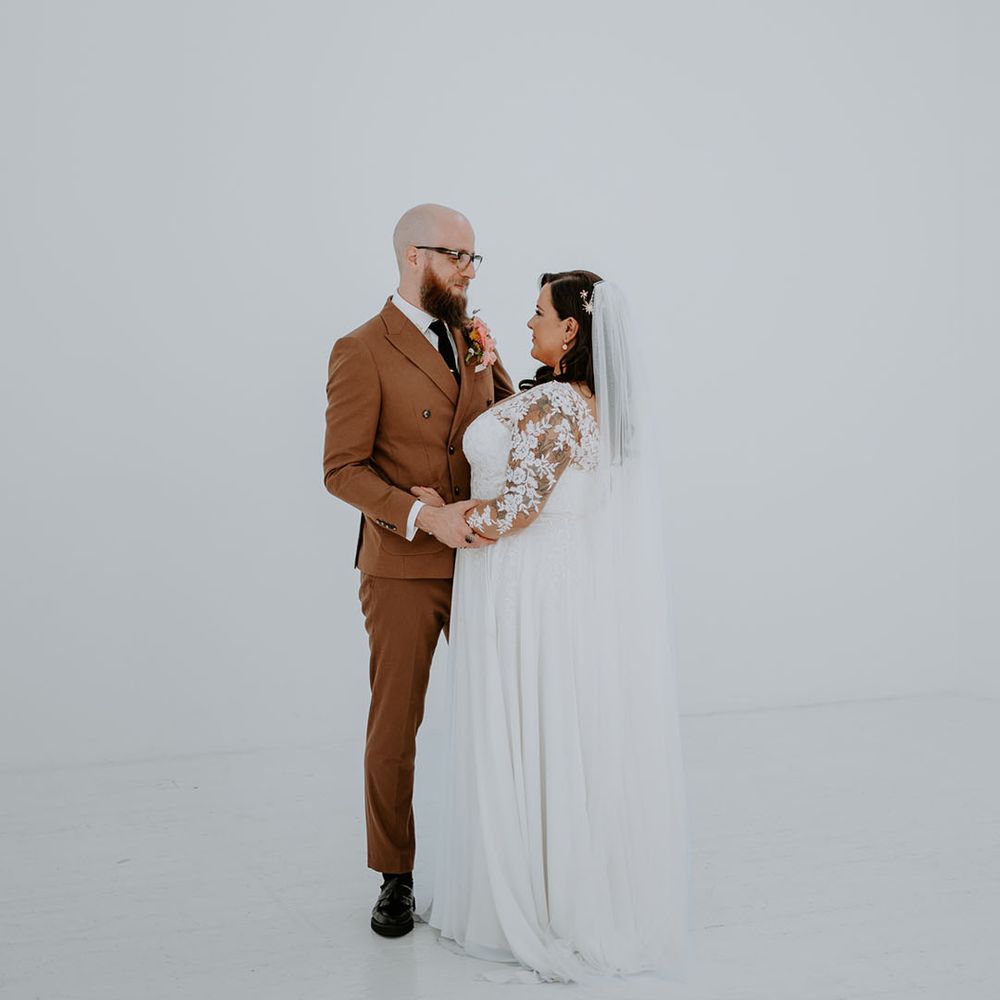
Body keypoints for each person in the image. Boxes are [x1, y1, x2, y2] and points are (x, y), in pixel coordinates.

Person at [416, 272, 691, 983]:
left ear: (572, 331)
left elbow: (513, 514)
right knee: (552, 724)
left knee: (524, 720)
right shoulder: (590, 404)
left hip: (521, 584)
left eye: (540, 312)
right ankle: (557, 882)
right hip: (557, 587)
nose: (530, 321)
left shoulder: (558, 408)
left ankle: (529, 899)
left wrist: (438, 513)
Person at [322, 203, 514, 937]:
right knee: (396, 724)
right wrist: (418, 513)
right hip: (404, 565)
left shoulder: (472, 338)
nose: (469, 270)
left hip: (489, 558)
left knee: (503, 711)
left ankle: (506, 862)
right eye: (455, 255)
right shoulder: (360, 348)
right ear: (412, 257)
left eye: (473, 258)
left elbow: (508, 424)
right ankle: (394, 875)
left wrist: (499, 368)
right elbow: (341, 469)